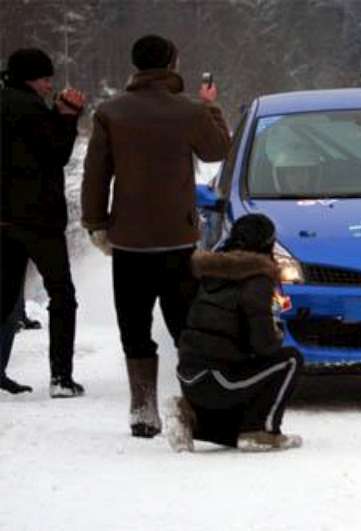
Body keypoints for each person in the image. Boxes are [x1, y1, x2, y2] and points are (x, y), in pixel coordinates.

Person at [82, 35, 231, 437]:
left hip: (129, 240)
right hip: (178, 240)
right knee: (186, 327)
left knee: (134, 326)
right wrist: (211, 104)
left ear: (135, 66)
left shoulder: (111, 113)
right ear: (172, 63)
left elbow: (96, 173)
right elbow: (218, 151)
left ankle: (143, 409)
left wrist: (96, 223)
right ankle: (196, 404)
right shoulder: (189, 111)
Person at [167, 214, 303, 452]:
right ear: (267, 245)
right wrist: (277, 334)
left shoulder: (207, 271)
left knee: (235, 433)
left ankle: (191, 418)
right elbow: (264, 346)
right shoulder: (256, 278)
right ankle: (264, 430)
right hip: (220, 379)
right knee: (290, 360)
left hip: (188, 375)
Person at [1, 48, 86, 397]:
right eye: (46, 79)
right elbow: (54, 154)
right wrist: (67, 116)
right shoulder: (31, 108)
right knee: (62, 295)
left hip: (3, 218)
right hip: (38, 219)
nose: (50, 85)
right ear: (30, 78)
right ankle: (61, 377)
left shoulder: (8, 102)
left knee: (4, 297)